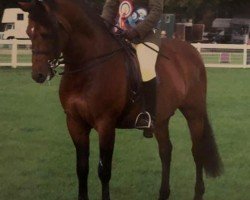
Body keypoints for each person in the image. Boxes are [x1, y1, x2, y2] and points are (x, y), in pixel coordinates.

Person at [101, 0, 164, 131]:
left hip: (146, 35)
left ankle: (149, 116)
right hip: (120, 31)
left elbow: (156, 11)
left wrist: (136, 31)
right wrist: (103, 26)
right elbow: (110, 8)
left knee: (146, 68)